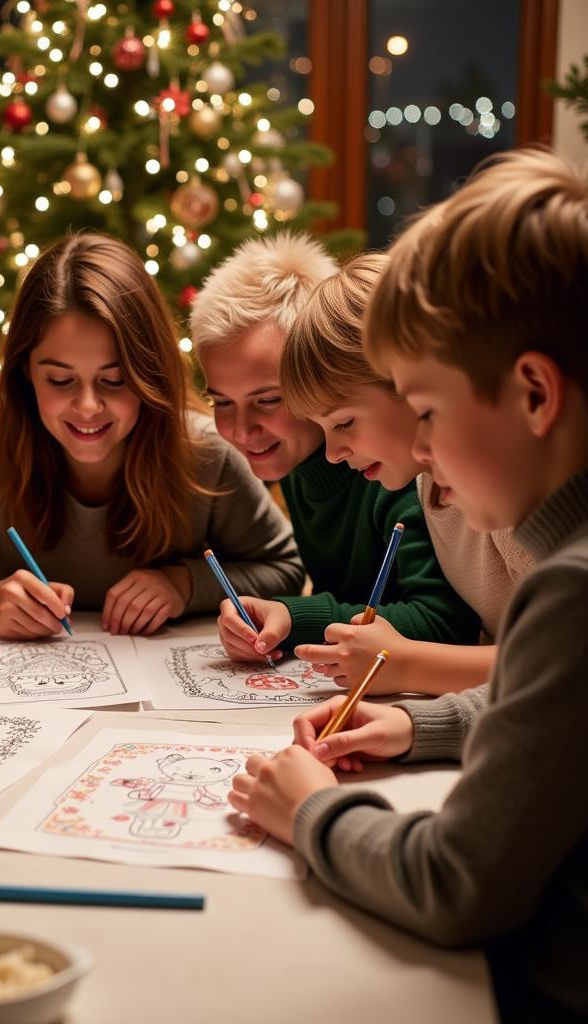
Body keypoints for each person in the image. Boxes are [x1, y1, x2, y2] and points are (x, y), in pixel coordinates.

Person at [230, 148, 588, 1021]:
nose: (421, 455)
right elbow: (552, 708)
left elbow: (453, 883)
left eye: (427, 413)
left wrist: (311, 813)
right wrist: (418, 725)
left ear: (534, 395)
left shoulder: (571, 591)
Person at [0, 233, 303, 638]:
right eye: (60, 380)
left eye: (114, 380)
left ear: (148, 373)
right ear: (26, 370)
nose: (86, 406)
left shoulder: (205, 450)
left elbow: (285, 570)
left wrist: (184, 585)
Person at [190, 236, 478, 666]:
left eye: (269, 400)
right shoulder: (297, 460)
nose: (241, 429)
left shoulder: (399, 468)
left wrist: (298, 617)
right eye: (222, 403)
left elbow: (447, 624)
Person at [276, 253, 531, 693]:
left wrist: (409, 665)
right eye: (322, 430)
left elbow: (566, 660)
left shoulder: (510, 486)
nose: (333, 454)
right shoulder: (426, 483)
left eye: (344, 423)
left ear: (409, 386)